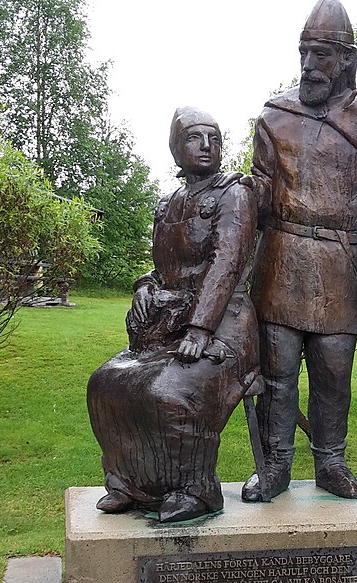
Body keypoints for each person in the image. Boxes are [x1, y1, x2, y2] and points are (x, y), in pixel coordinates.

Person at [241, 0, 357, 503]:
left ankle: (331, 461)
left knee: (334, 372)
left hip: (339, 265)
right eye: (304, 52)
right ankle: (275, 468)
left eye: (322, 53)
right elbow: (259, 195)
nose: (310, 64)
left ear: (348, 59)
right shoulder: (274, 116)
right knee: (278, 374)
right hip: (282, 260)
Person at [87, 107, 260, 523]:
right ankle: (130, 484)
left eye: (214, 138)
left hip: (225, 326)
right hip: (168, 326)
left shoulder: (235, 194)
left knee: (168, 392)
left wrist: (201, 328)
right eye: (195, 138)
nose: (207, 146)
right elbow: (163, 267)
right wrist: (144, 287)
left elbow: (226, 265)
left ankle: (196, 491)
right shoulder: (169, 202)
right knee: (105, 382)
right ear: (175, 147)